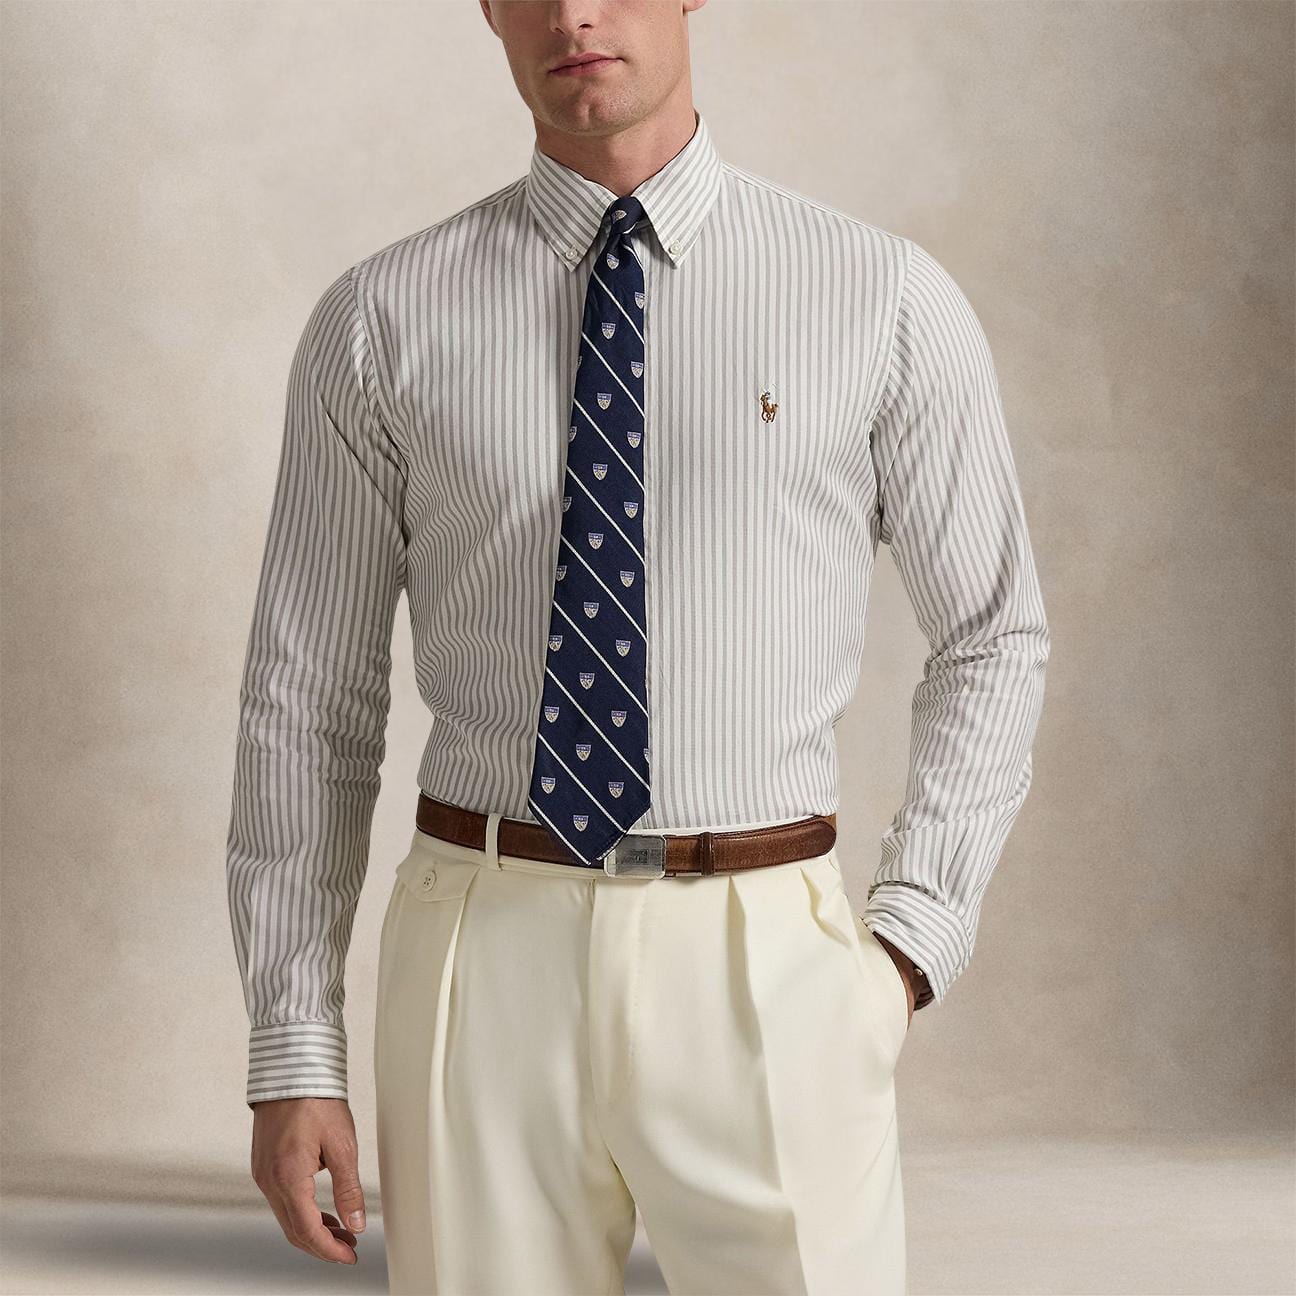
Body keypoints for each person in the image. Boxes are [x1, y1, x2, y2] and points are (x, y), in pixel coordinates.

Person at [224, 2, 1050, 1292]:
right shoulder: (381, 321)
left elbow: (993, 630)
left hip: (766, 963)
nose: (575, 13)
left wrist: (906, 949)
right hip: (479, 959)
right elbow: (306, 697)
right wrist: (294, 1044)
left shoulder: (877, 297)